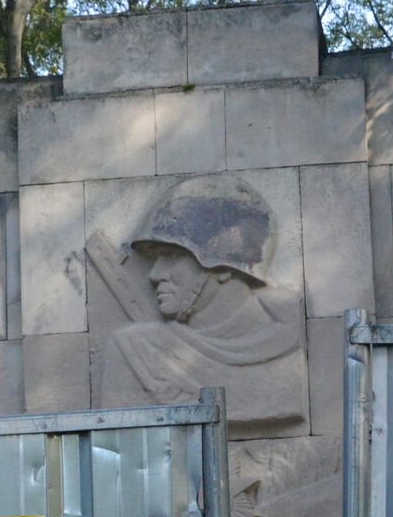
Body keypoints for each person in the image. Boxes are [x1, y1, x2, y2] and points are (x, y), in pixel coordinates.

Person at [93, 176, 309, 439]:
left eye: (173, 256)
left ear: (224, 267)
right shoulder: (132, 350)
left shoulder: (285, 355)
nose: (154, 274)